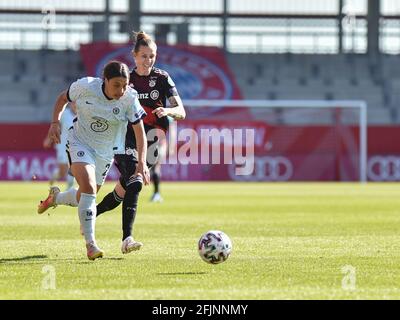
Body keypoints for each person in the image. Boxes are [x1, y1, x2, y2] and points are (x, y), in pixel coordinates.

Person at [37, 61, 150, 260]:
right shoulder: (86, 86)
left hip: (105, 152)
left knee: (85, 196)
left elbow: (140, 132)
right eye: (116, 85)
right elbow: (62, 98)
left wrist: (141, 162)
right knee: (88, 188)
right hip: (80, 142)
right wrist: (55, 122)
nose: (121, 90)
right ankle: (91, 245)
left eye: (124, 85)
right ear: (104, 80)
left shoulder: (129, 99)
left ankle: (56, 198)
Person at [96, 31, 186, 254]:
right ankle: (127, 239)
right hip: (126, 136)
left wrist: (169, 110)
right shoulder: (126, 79)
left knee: (123, 190)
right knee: (135, 182)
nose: (149, 61)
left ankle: (90, 214)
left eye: (152, 56)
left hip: (153, 140)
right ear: (134, 56)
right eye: (144, 56)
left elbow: (182, 111)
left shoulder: (163, 78)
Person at [42, 102, 76, 190]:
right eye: (73, 103)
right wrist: (49, 139)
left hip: (76, 147)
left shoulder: (83, 115)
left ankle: (69, 190)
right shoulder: (65, 114)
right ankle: (55, 175)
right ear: (71, 103)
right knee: (63, 172)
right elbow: (55, 126)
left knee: (74, 168)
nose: (75, 105)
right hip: (63, 146)